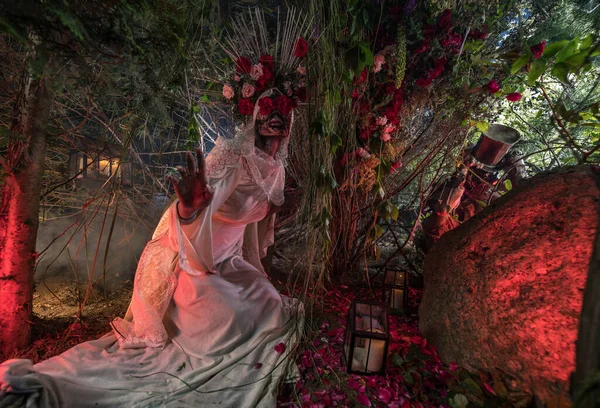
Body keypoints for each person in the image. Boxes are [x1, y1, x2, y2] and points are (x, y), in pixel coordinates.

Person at [0, 88, 303, 408]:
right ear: (255, 113)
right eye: (269, 107)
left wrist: (277, 208)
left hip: (232, 264)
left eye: (284, 111)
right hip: (197, 266)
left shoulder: (275, 168)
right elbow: (194, 210)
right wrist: (188, 210)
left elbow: (257, 209)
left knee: (271, 307)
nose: (276, 118)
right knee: (236, 320)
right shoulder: (232, 157)